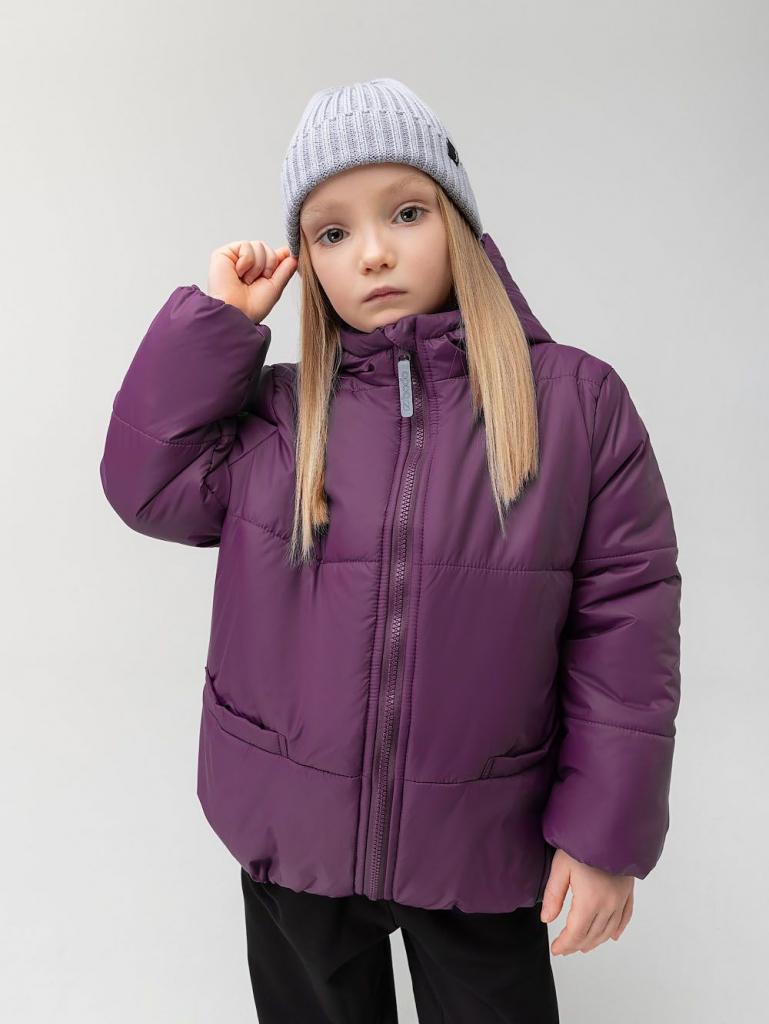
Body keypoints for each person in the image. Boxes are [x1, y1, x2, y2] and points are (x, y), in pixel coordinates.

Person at [99, 77, 682, 1022]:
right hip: (294, 830)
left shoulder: (576, 407)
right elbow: (147, 487)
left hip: (482, 835)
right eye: (331, 232)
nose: (371, 251)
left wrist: (603, 835)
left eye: (405, 213)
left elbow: (627, 627)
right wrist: (221, 323)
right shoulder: (278, 417)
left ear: (458, 221)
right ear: (307, 261)